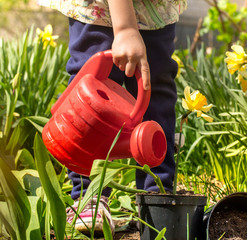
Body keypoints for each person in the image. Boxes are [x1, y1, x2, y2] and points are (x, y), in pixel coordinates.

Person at [37, 0, 187, 235]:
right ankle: (89, 197)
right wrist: (125, 28)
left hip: (154, 8)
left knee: (155, 88)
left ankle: (156, 198)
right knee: (94, 87)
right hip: (101, 10)